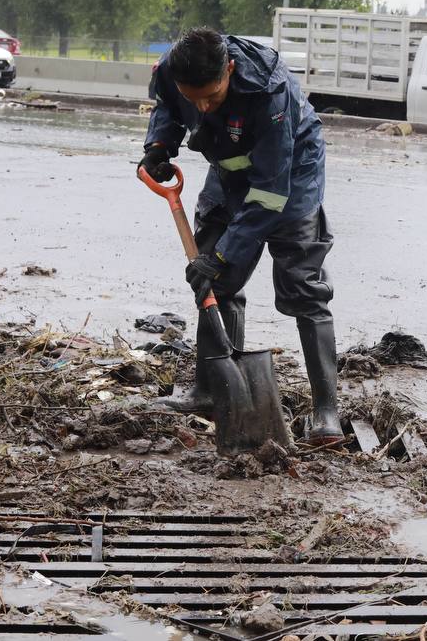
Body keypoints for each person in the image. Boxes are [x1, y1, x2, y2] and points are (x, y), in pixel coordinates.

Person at [139, 27, 340, 445]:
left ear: (230, 68)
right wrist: (159, 144)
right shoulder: (171, 71)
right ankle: (210, 390)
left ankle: (326, 411)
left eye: (211, 96)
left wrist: (227, 251)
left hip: (288, 178)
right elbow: (168, 108)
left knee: (303, 289)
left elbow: (269, 190)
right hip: (227, 173)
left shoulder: (270, 92)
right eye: (193, 97)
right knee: (212, 281)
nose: (203, 105)